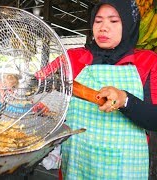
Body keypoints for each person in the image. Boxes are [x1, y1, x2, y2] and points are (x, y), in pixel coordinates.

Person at [35, 0, 157, 179]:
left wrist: (125, 100)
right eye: (98, 21)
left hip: (125, 167)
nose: (103, 28)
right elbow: (37, 83)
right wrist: (16, 84)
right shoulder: (73, 58)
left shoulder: (148, 61)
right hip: (78, 160)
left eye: (113, 21)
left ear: (129, 25)